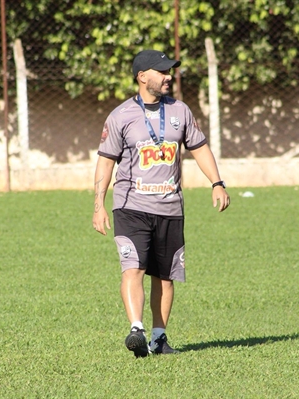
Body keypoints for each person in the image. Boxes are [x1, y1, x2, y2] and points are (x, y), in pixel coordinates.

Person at [92, 49, 230, 358]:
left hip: (170, 208)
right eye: (162, 71)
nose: (169, 76)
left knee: (166, 276)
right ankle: (136, 330)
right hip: (131, 206)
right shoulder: (121, 116)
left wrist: (217, 183)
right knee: (133, 269)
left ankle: (158, 338)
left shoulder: (180, 111)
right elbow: (105, 162)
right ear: (143, 77)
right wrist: (99, 204)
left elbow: (200, 147)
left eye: (170, 71)